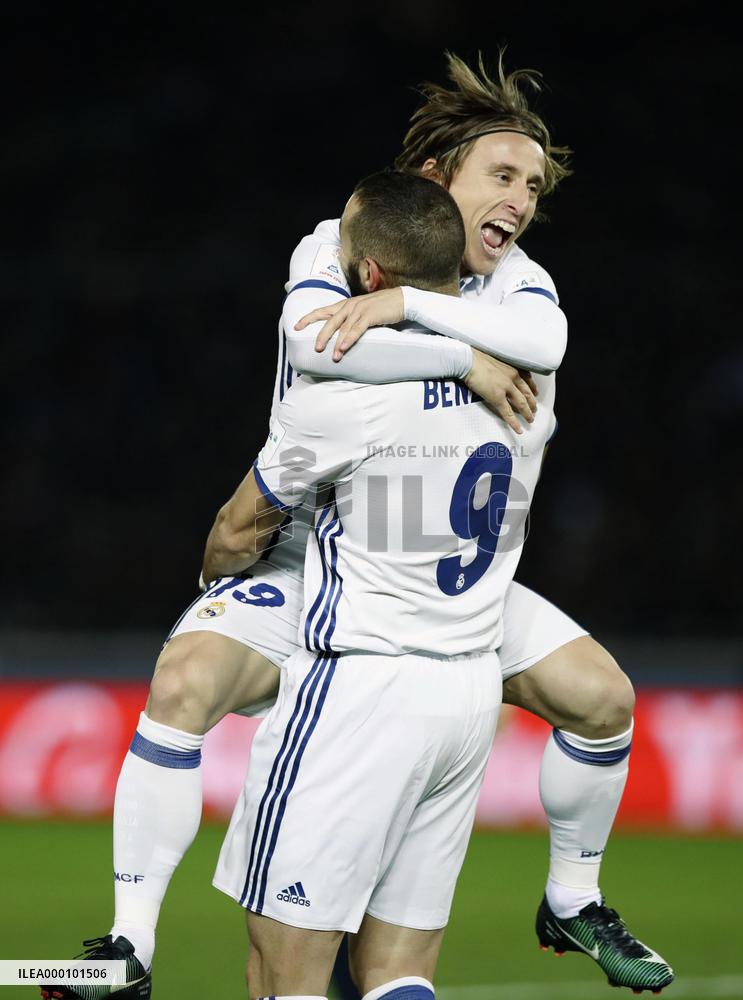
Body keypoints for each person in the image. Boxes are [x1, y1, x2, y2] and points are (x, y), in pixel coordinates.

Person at [52, 52, 671, 999]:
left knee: (601, 698)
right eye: (500, 175)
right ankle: (129, 940)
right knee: (185, 682)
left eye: (533, 186)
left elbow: (534, 344)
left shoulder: (520, 289)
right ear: (434, 181)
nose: (520, 201)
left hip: (409, 597)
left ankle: (573, 896)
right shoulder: (333, 245)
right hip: (312, 556)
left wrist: (417, 319)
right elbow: (317, 341)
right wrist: (462, 359)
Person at [211, 167, 553, 1000]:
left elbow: (234, 531)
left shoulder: (343, 403)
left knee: (282, 971)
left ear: (367, 279)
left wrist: (219, 588)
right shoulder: (526, 395)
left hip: (360, 690)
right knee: (398, 974)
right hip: (468, 698)